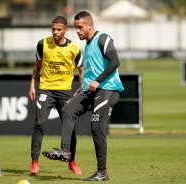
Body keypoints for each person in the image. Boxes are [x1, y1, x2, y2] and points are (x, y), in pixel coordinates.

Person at [42, 11, 124, 181]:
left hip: (107, 89)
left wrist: (97, 81)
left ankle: (102, 172)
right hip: (91, 90)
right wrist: (84, 87)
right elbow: (91, 70)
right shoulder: (87, 46)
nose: (77, 31)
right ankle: (65, 150)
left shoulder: (103, 38)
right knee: (67, 110)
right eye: (76, 28)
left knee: (96, 126)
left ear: (90, 26)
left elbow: (115, 61)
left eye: (80, 27)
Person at [29, 15, 83, 176]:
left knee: (70, 128)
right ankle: (34, 161)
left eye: (59, 29)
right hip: (46, 89)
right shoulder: (43, 44)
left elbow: (81, 70)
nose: (55, 32)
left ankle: (71, 161)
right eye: (53, 29)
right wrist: (32, 85)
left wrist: (82, 88)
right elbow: (37, 66)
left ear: (66, 30)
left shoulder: (74, 48)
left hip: (65, 91)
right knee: (39, 123)